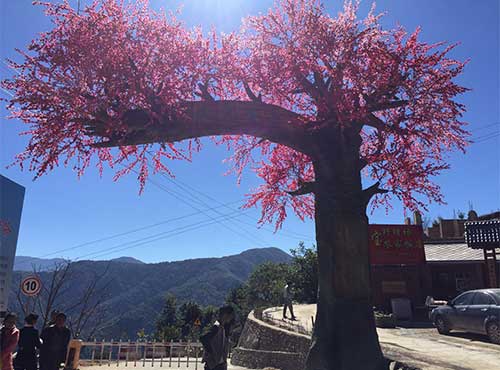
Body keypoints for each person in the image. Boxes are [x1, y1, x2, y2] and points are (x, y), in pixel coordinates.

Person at [200, 306, 235, 370]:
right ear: (225, 315)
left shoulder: (223, 327)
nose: (231, 318)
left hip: (220, 364)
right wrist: (211, 353)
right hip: (214, 365)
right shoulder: (216, 327)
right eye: (231, 315)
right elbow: (203, 338)